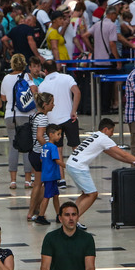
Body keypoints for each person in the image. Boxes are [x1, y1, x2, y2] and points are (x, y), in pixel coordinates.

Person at [65, 118, 135, 226]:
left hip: (71, 164)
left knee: (86, 194)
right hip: (78, 167)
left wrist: (134, 162)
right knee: (92, 194)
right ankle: (72, 221)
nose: (112, 134)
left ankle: (71, 217)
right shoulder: (103, 138)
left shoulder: (96, 136)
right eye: (111, 131)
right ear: (105, 129)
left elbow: (115, 155)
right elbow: (123, 153)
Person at [40, 201, 96, 270]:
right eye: (67, 215)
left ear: (78, 217)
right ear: (60, 218)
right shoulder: (50, 238)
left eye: (74, 214)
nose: (71, 218)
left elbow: (90, 267)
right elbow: (45, 267)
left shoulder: (87, 239)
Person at [39, 60, 81, 188]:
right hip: (69, 118)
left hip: (53, 122)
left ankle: (61, 179)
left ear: (45, 71)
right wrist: (73, 110)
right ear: (56, 67)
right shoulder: (67, 78)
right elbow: (77, 92)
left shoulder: (42, 85)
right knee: (76, 148)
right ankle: (80, 174)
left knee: (58, 150)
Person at [1, 53, 37, 190]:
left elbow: (3, 99)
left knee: (13, 147)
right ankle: (27, 181)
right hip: (25, 115)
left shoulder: (5, 78)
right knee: (27, 147)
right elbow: (35, 90)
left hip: (10, 116)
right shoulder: (27, 76)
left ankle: (13, 181)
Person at [28, 92, 54, 225]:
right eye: (51, 103)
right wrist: (49, 148)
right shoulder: (43, 118)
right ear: (45, 105)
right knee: (38, 184)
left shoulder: (34, 115)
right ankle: (31, 211)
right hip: (39, 154)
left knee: (39, 183)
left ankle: (34, 209)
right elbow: (39, 136)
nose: (53, 105)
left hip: (33, 152)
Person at [38, 124, 64, 222]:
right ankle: (41, 216)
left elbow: (41, 159)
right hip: (51, 175)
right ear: (51, 134)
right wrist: (66, 166)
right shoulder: (53, 147)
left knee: (55, 195)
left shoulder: (45, 146)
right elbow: (57, 160)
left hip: (47, 174)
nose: (60, 136)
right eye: (58, 134)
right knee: (47, 196)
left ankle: (58, 214)